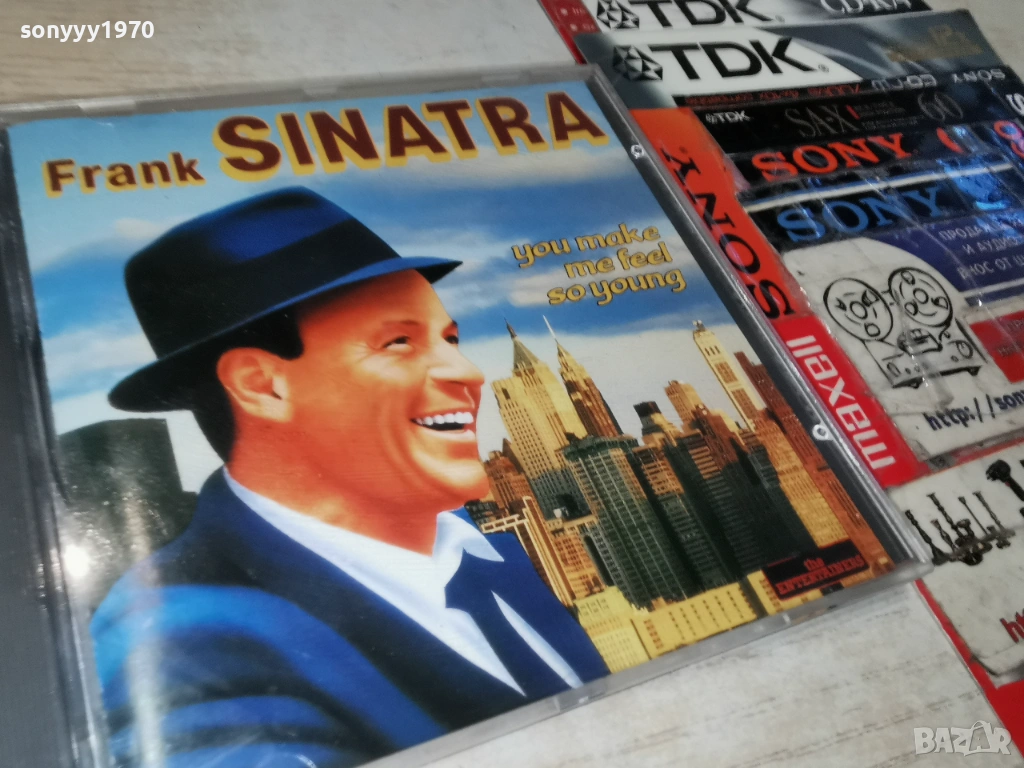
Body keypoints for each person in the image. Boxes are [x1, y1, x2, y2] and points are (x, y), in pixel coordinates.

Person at [91, 187, 609, 768]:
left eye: (450, 339)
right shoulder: (179, 643)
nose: (467, 372)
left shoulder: (484, 553)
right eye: (399, 342)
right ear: (263, 386)